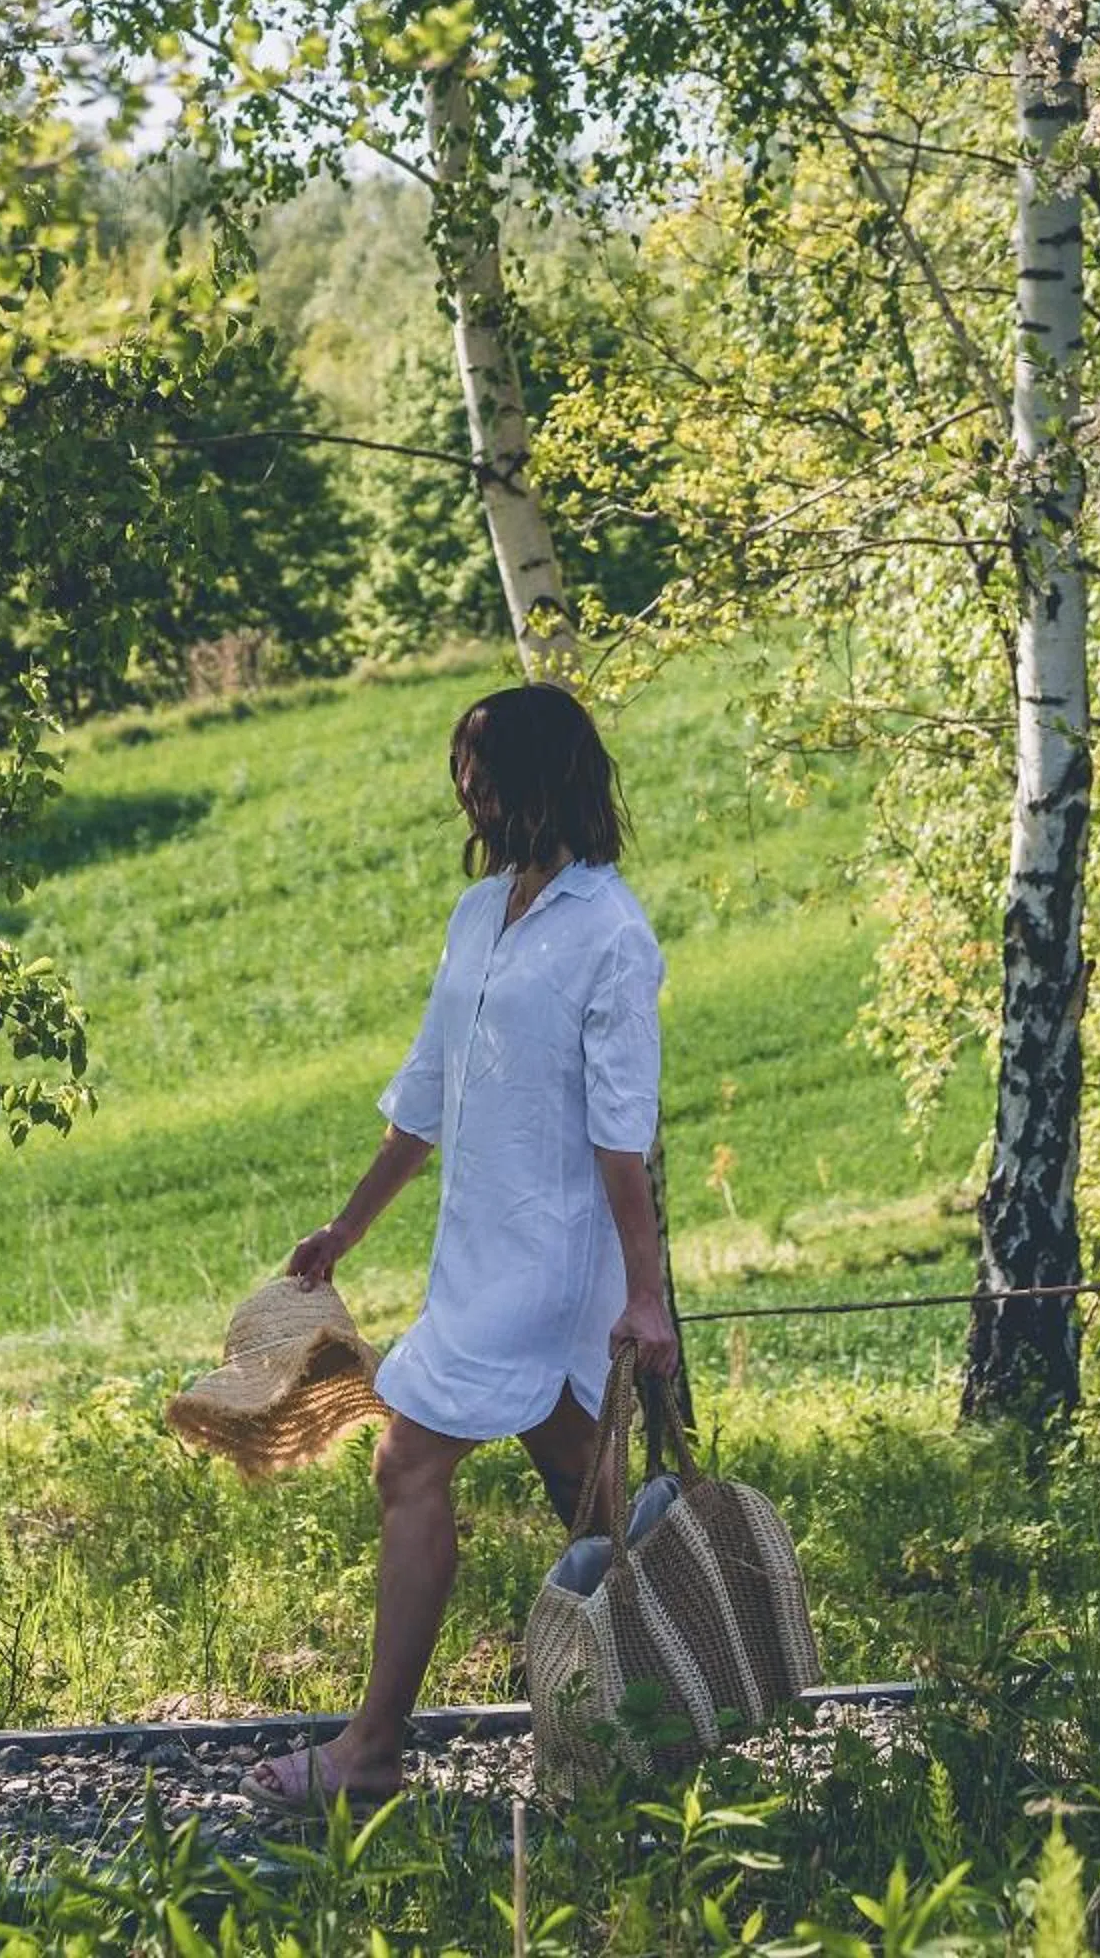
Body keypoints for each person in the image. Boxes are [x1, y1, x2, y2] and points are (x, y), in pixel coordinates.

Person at [242, 683, 679, 1813]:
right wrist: (349, 1224)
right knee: (588, 1487)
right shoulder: (479, 912)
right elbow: (425, 1096)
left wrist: (647, 1294)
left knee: (407, 1458)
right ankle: (667, 1710)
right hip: (478, 1248)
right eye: (461, 767)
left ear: (543, 775)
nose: (468, 787)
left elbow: (622, 1132)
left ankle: (372, 1747)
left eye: (484, 767)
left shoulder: (611, 930)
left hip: (554, 1259)